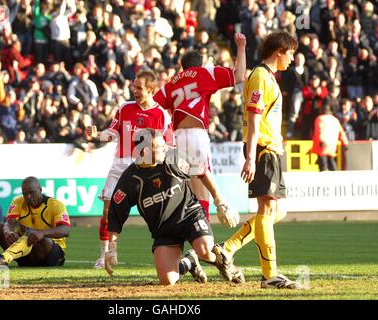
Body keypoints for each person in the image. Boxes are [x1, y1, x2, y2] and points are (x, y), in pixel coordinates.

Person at [104, 129, 244, 285]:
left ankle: (227, 265)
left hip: (190, 215)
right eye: (161, 146)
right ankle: (190, 262)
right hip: (164, 230)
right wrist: (111, 248)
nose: (166, 148)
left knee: (205, 251)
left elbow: (202, 171)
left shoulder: (173, 158)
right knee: (168, 281)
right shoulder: (130, 179)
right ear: (146, 150)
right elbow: (116, 214)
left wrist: (220, 201)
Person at [223, 31, 302, 289]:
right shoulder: (260, 77)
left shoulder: (267, 77)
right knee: (267, 211)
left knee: (278, 210)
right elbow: (254, 119)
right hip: (264, 150)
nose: (292, 59)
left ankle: (227, 248)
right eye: (290, 54)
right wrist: (251, 157)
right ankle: (270, 275)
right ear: (279, 51)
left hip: (272, 150)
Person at [153, 35, 246, 226]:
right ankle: (215, 213)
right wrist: (241, 47)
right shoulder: (205, 73)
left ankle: (193, 237)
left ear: (182, 66)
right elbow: (239, 76)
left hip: (178, 137)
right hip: (197, 133)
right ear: (199, 64)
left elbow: (153, 106)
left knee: (192, 188)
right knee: (203, 188)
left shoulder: (172, 83)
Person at [85, 69, 174, 269]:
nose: (135, 90)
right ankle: (106, 255)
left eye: (139, 88)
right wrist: (96, 134)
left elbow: (168, 144)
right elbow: (112, 132)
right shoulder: (124, 107)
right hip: (121, 163)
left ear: (151, 90)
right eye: (134, 86)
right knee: (108, 210)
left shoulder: (160, 114)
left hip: (148, 168)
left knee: (160, 213)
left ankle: (166, 254)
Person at [311, 104, 349, 171]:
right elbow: (341, 132)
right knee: (331, 162)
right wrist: (345, 143)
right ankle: (335, 178)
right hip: (332, 144)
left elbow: (320, 130)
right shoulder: (335, 120)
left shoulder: (319, 119)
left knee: (323, 165)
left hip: (322, 145)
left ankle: (324, 179)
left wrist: (322, 140)